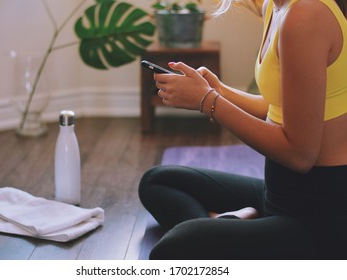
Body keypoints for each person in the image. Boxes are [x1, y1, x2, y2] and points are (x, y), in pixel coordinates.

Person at [138, 0, 347, 259]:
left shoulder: (305, 15)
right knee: (157, 181)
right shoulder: (276, 6)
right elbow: (276, 107)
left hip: (318, 217)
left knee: (172, 250)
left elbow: (299, 155)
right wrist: (219, 92)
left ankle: (227, 226)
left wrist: (208, 102)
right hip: (279, 192)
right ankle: (233, 224)